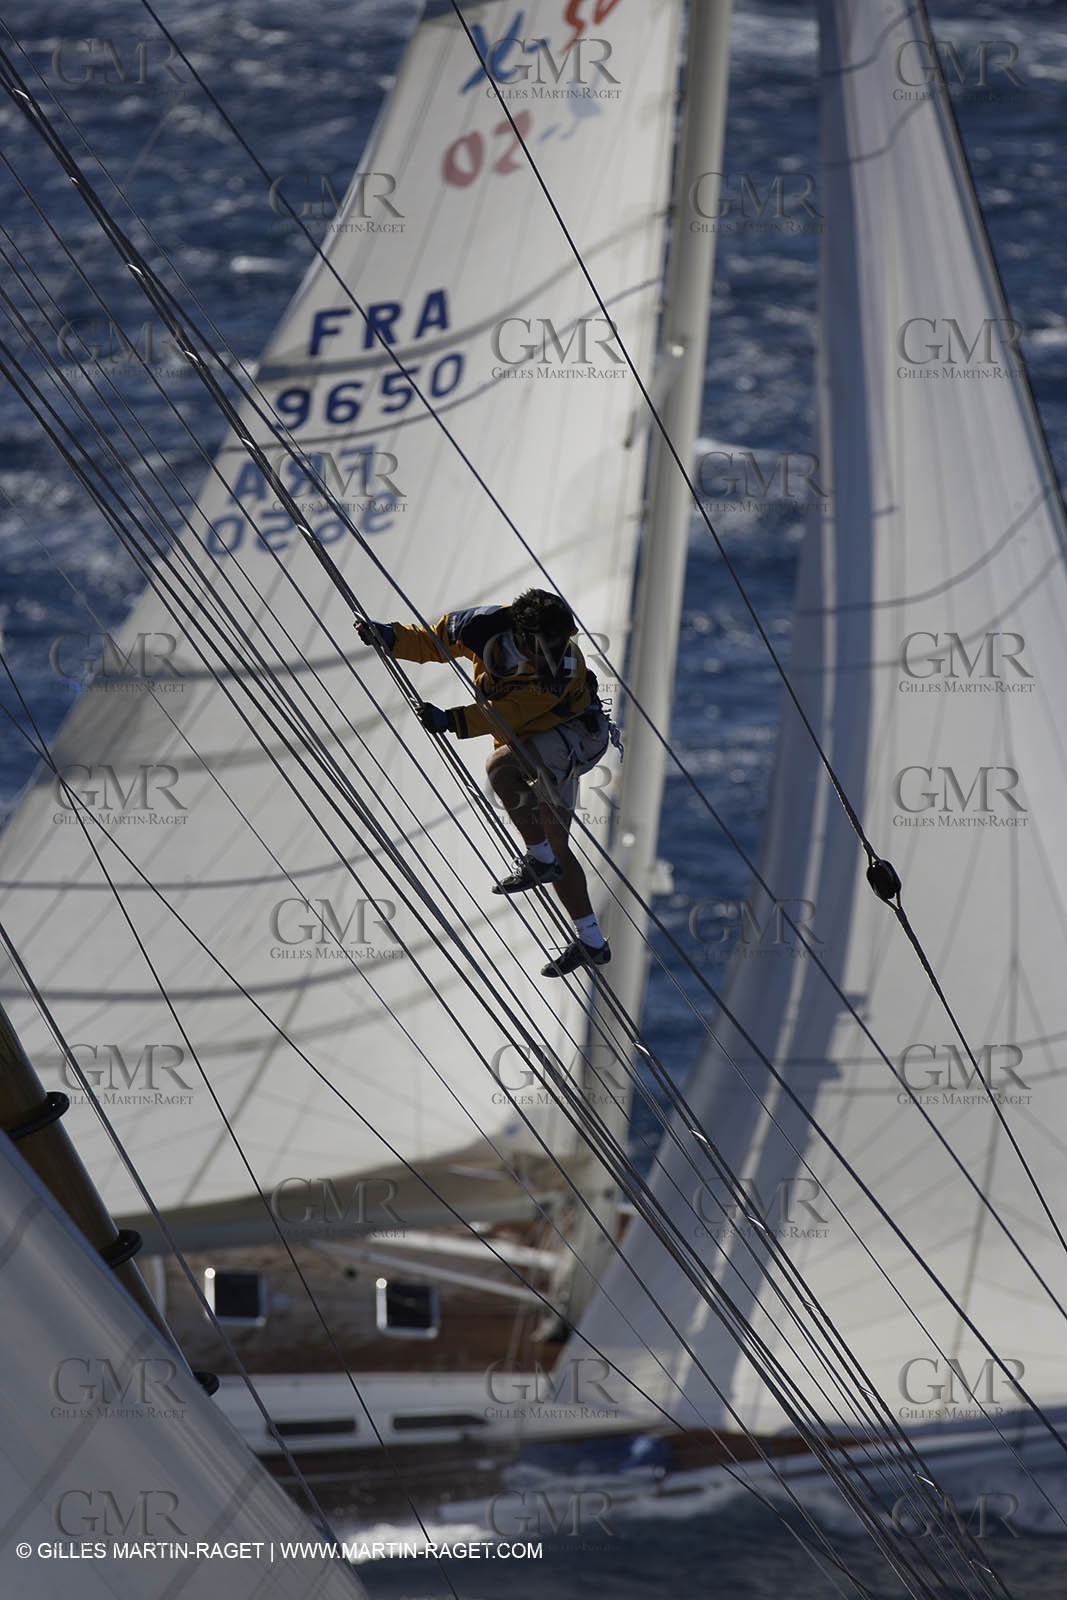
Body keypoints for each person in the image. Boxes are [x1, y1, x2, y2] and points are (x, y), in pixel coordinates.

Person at [355, 589, 613, 977]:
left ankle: (539, 861)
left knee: (500, 768)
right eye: (543, 648)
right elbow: (434, 641)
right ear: (521, 635)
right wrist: (391, 638)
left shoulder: (563, 668)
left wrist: (452, 720)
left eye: (559, 645)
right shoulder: (479, 627)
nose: (551, 655)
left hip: (577, 734)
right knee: (555, 843)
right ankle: (592, 941)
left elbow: (508, 712)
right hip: (535, 740)